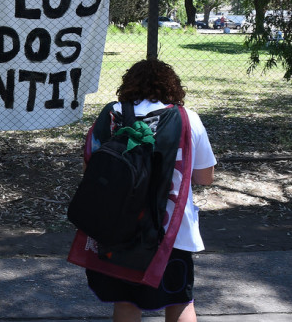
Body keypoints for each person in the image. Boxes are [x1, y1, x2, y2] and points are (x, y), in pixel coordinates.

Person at [83, 59, 216, 322]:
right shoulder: (187, 118)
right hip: (172, 232)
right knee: (179, 300)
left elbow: (91, 166)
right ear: (172, 87)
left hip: (117, 227)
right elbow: (204, 177)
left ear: (128, 84)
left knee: (126, 301)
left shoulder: (112, 114)